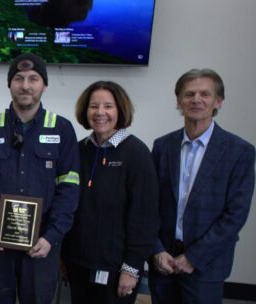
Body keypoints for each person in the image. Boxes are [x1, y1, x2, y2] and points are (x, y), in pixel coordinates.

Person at [0, 53, 80, 304]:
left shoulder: (61, 130)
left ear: (44, 85)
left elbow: (69, 189)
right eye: (18, 78)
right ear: (9, 84)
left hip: (41, 244)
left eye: (33, 78)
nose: (25, 85)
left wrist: (51, 237)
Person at [149, 68, 256, 303]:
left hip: (205, 265)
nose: (196, 99)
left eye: (204, 94)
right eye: (189, 94)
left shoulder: (239, 151)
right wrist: (157, 250)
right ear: (178, 101)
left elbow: (235, 214)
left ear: (218, 101)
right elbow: (149, 205)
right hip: (163, 261)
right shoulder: (162, 147)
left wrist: (194, 258)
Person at [62, 81, 158, 303]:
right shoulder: (78, 150)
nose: (100, 113)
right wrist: (63, 257)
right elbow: (67, 204)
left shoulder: (137, 154)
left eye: (108, 106)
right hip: (78, 263)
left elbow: (145, 217)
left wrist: (132, 268)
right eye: (94, 106)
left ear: (120, 110)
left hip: (116, 269)